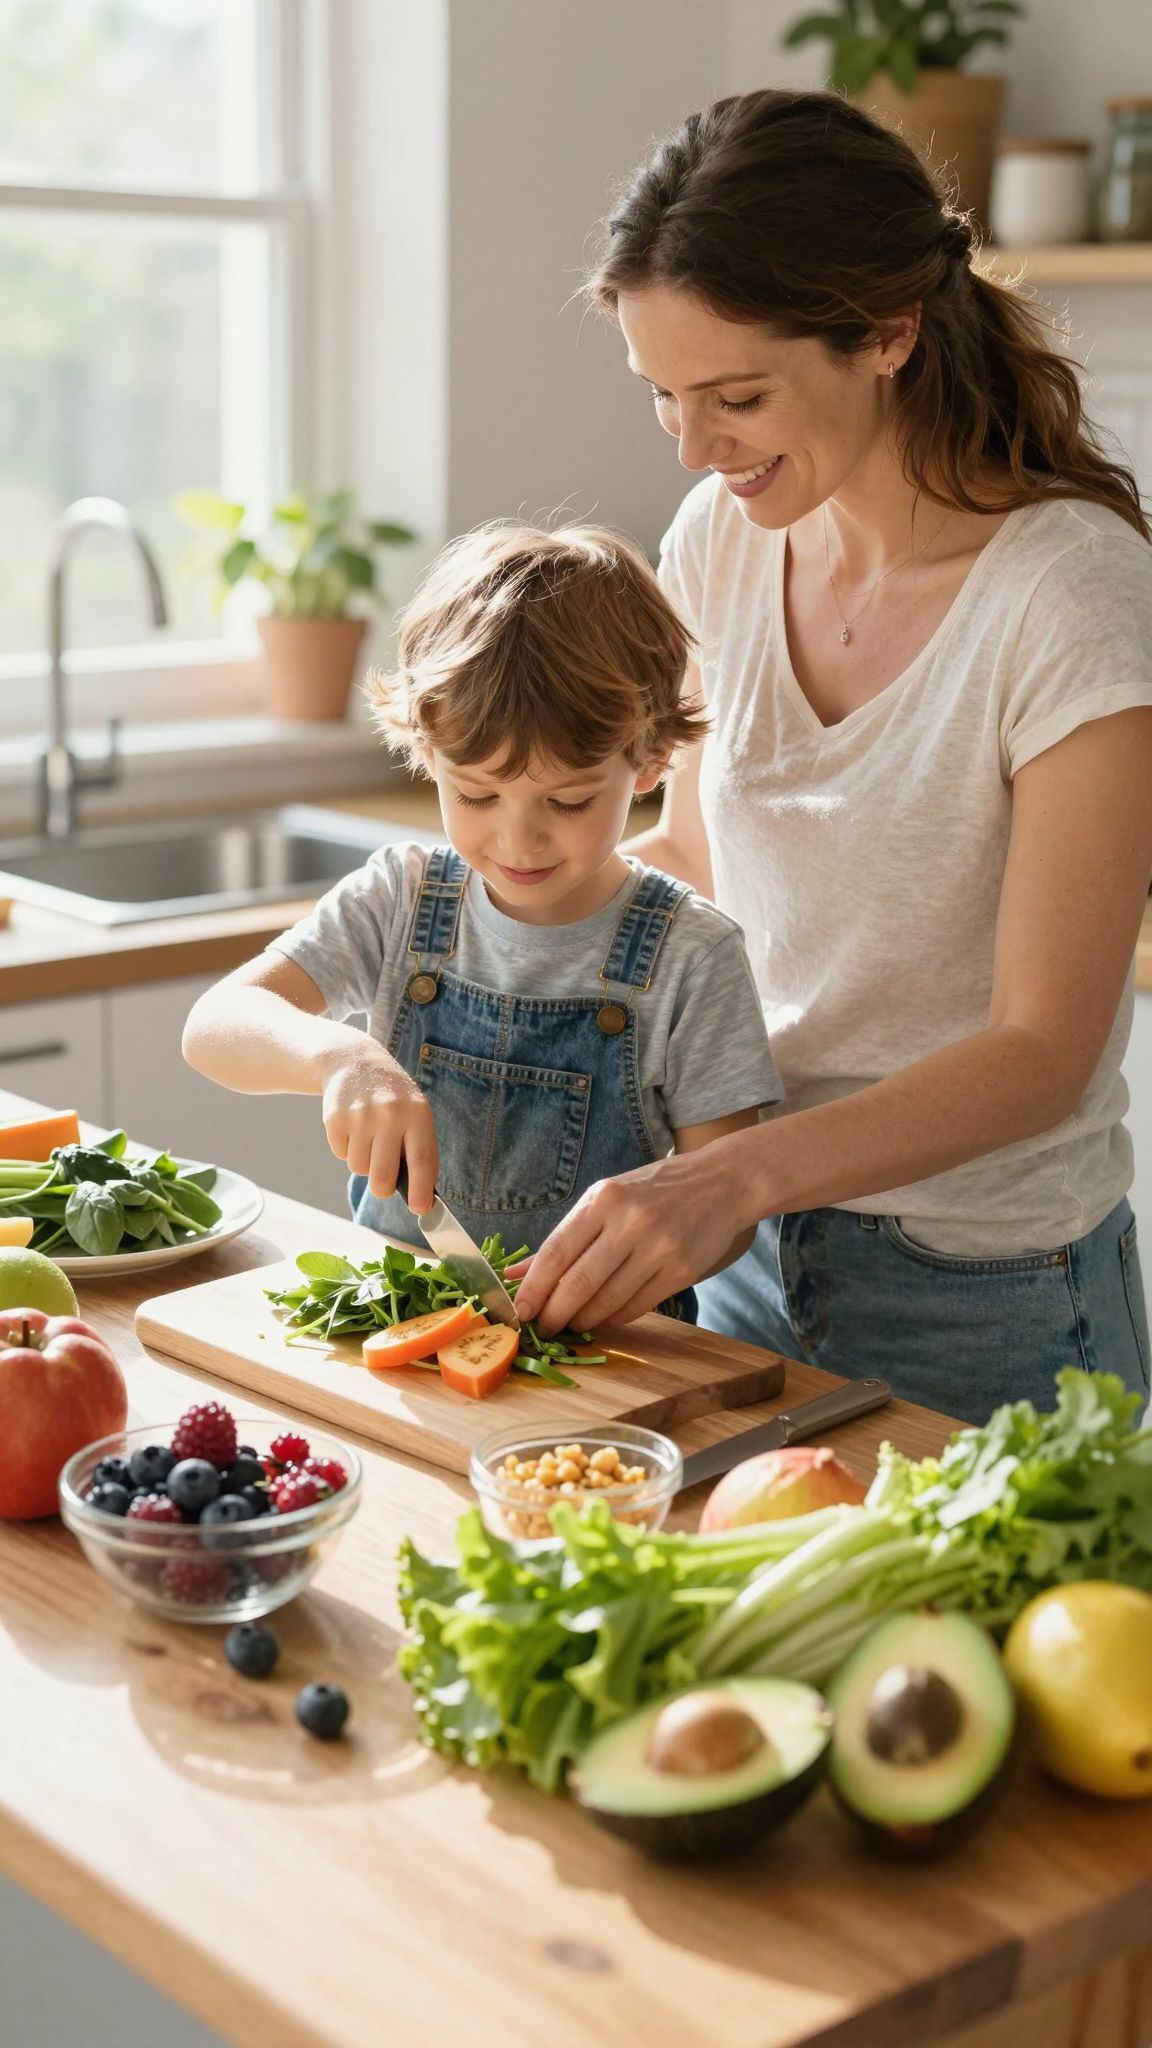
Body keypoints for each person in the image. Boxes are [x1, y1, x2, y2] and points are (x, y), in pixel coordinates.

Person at [513, 89, 1152, 1425]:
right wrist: (486, 949)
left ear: (888, 332)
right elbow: (697, 854)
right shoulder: (721, 538)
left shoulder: (1071, 595)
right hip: (743, 1250)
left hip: (984, 1287)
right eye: (664, 401)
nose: (697, 449)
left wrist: (735, 1178)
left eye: (738, 397)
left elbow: (1044, 1044)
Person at [182, 521, 780, 1314]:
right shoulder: (400, 899)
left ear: (652, 762)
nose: (517, 838)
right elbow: (216, 1024)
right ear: (427, 754)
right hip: (395, 1335)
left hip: (608, 1349)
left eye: (566, 801)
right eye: (475, 795)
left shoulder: (692, 955)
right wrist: (340, 1061)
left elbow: (724, 1203)